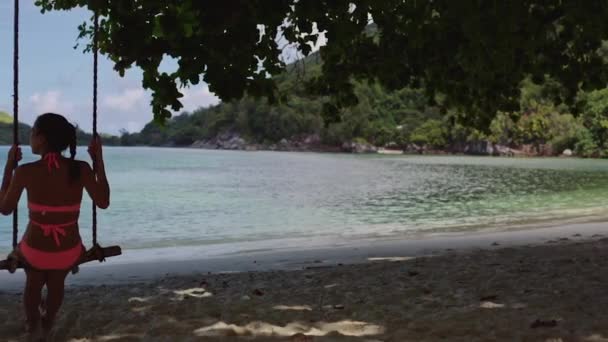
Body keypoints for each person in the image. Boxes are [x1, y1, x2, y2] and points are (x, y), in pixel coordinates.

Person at [0, 112, 110, 339]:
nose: (29, 138)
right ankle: (48, 320)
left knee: (33, 283)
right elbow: (103, 201)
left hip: (35, 252)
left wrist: (9, 166)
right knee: (57, 281)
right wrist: (98, 160)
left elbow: (5, 208)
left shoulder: (25, 172)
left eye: (31, 133)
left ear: (41, 138)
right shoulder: (81, 169)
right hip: (67, 252)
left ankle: (33, 325)